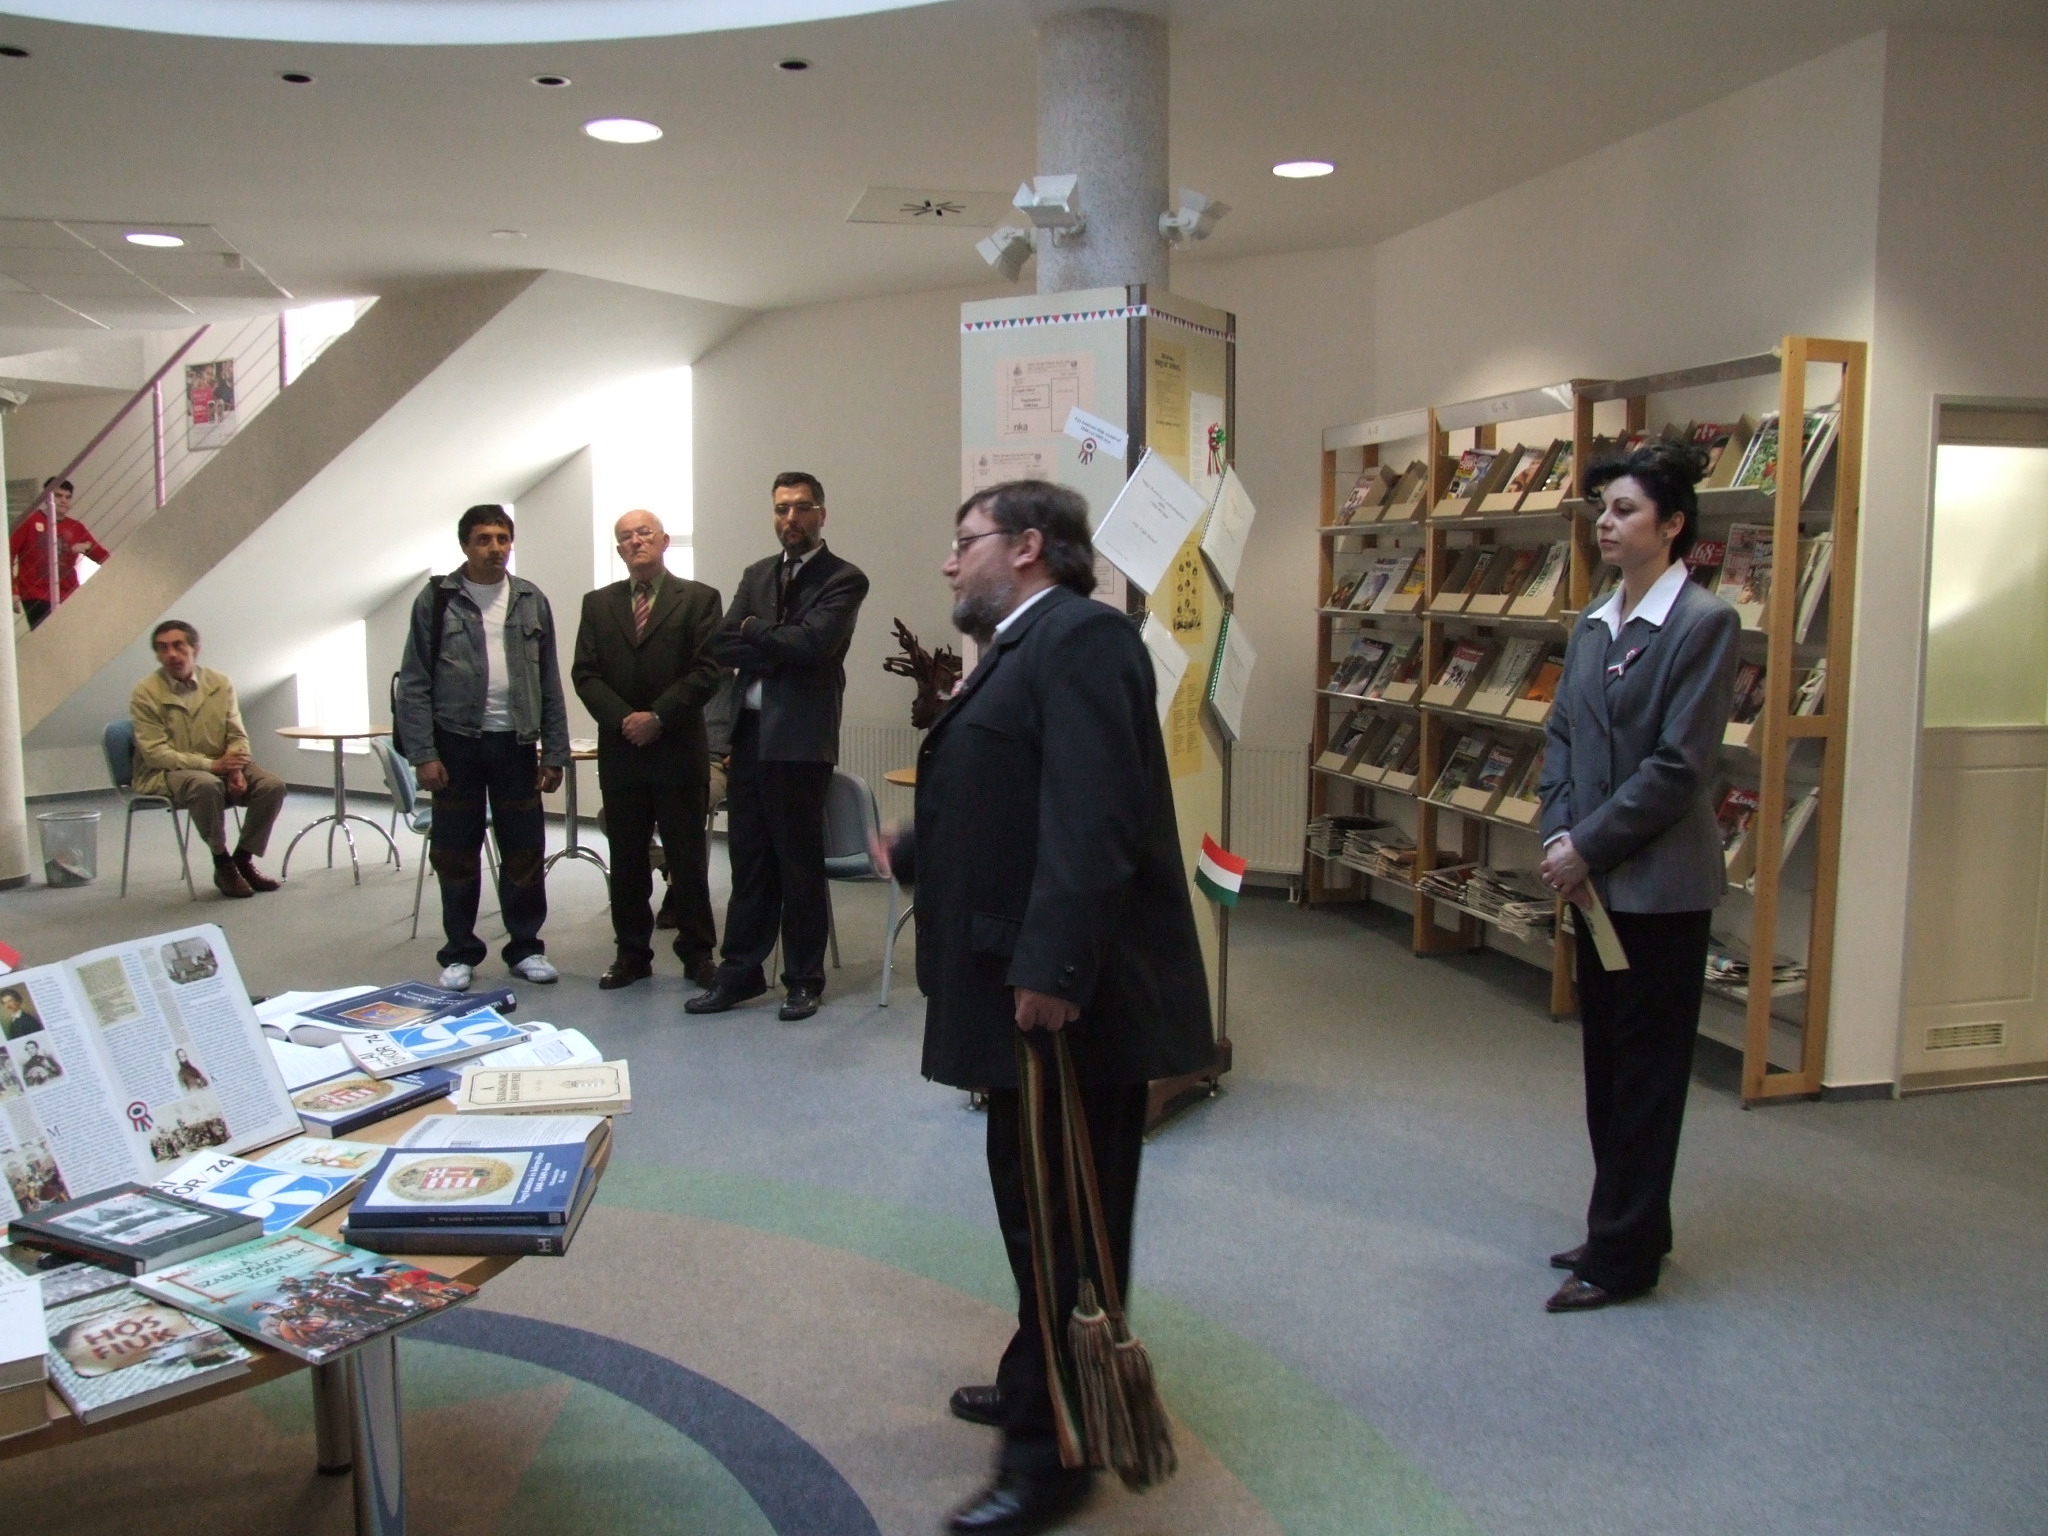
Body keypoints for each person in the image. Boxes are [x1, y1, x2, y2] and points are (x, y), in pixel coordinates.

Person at [879, 480, 1214, 1535]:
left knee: (1065, 1229)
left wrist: (1056, 972)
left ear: (1026, 546)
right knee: (1036, 1213)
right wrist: (919, 850)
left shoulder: (1082, 640)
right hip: (1019, 986)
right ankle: (1040, 1379)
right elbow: (1019, 791)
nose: (950, 562)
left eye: (963, 541)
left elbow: (1094, 817)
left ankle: (1054, 1458)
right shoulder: (1027, 645)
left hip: (1066, 1004)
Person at [1536, 439, 1740, 1314]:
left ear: (1673, 524)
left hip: (1659, 890)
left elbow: (1677, 768)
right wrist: (1558, 833)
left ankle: (1622, 1258)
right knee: (1608, 1067)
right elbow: (1560, 735)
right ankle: (1626, 1226)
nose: (1606, 525)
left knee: (1650, 1075)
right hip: (1593, 886)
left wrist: (1587, 845)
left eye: (1625, 511)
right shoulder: (1594, 620)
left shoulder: (1703, 624)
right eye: (1602, 510)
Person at [687, 473, 869, 1023]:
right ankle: (739, 974)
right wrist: (769, 640)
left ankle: (803, 980)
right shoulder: (757, 574)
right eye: (782, 508)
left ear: (822, 514)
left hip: (801, 740)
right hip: (747, 736)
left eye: (802, 507)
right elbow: (722, 643)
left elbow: (814, 644)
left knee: (798, 866)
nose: (791, 518)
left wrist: (755, 632)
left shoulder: (844, 578)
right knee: (748, 862)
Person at [394, 504, 569, 991]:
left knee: (524, 851)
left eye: (502, 538)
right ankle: (460, 952)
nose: (495, 548)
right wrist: (423, 754)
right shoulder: (438, 600)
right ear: (465, 545)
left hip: (515, 743)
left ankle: (526, 947)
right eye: (484, 539)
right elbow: (414, 683)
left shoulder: (530, 599)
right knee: (455, 853)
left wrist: (555, 751)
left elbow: (549, 680)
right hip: (456, 745)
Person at [572, 509, 726, 991]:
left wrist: (658, 716)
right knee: (627, 862)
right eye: (626, 537)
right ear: (619, 549)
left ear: (664, 541)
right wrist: (625, 719)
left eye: (644, 533)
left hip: (678, 750)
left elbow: (708, 670)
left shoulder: (699, 599)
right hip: (622, 752)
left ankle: (698, 954)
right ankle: (631, 955)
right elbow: (585, 674)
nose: (636, 541)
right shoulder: (598, 604)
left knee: (687, 862)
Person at [130, 620, 288, 898]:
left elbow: (237, 735)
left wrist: (235, 769)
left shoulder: (220, 683)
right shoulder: (146, 692)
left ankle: (243, 859)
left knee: (271, 786)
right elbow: (155, 754)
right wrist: (212, 766)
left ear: (195, 648)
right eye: (163, 648)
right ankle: (222, 861)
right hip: (168, 771)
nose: (171, 654)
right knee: (205, 785)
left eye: (178, 645)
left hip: (223, 763)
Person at [10, 478, 109, 628]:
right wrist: (13, 591)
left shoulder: (76, 527)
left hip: (69, 594)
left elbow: (102, 556)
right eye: (58, 496)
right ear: (46, 497)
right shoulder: (29, 520)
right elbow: (7, 555)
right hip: (36, 594)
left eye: (68, 497)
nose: (63, 501)